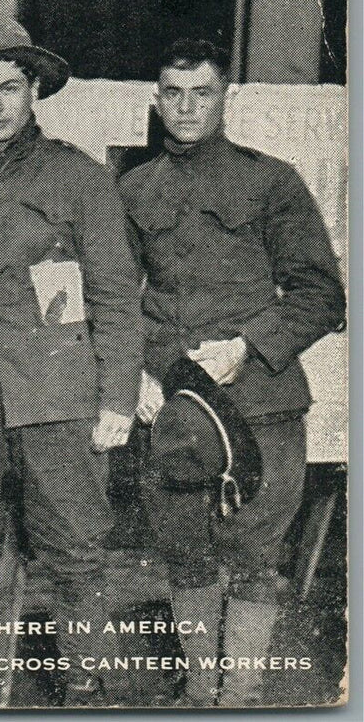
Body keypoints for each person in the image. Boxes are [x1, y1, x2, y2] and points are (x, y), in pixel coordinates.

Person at [0, 14, 143, 707]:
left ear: (34, 87)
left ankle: (83, 684)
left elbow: (114, 292)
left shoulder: (79, 176)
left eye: (8, 88)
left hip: (58, 395)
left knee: (76, 553)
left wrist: (118, 399)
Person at [122, 39, 344, 707]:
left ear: (226, 98)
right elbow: (112, 295)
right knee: (184, 554)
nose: (185, 107)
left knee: (252, 563)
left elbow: (321, 295)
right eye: (172, 93)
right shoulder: (133, 188)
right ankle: (197, 694)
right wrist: (133, 374)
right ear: (155, 100)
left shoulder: (270, 182)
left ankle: (238, 698)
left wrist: (248, 345)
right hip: (172, 406)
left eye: (201, 93)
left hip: (260, 404)